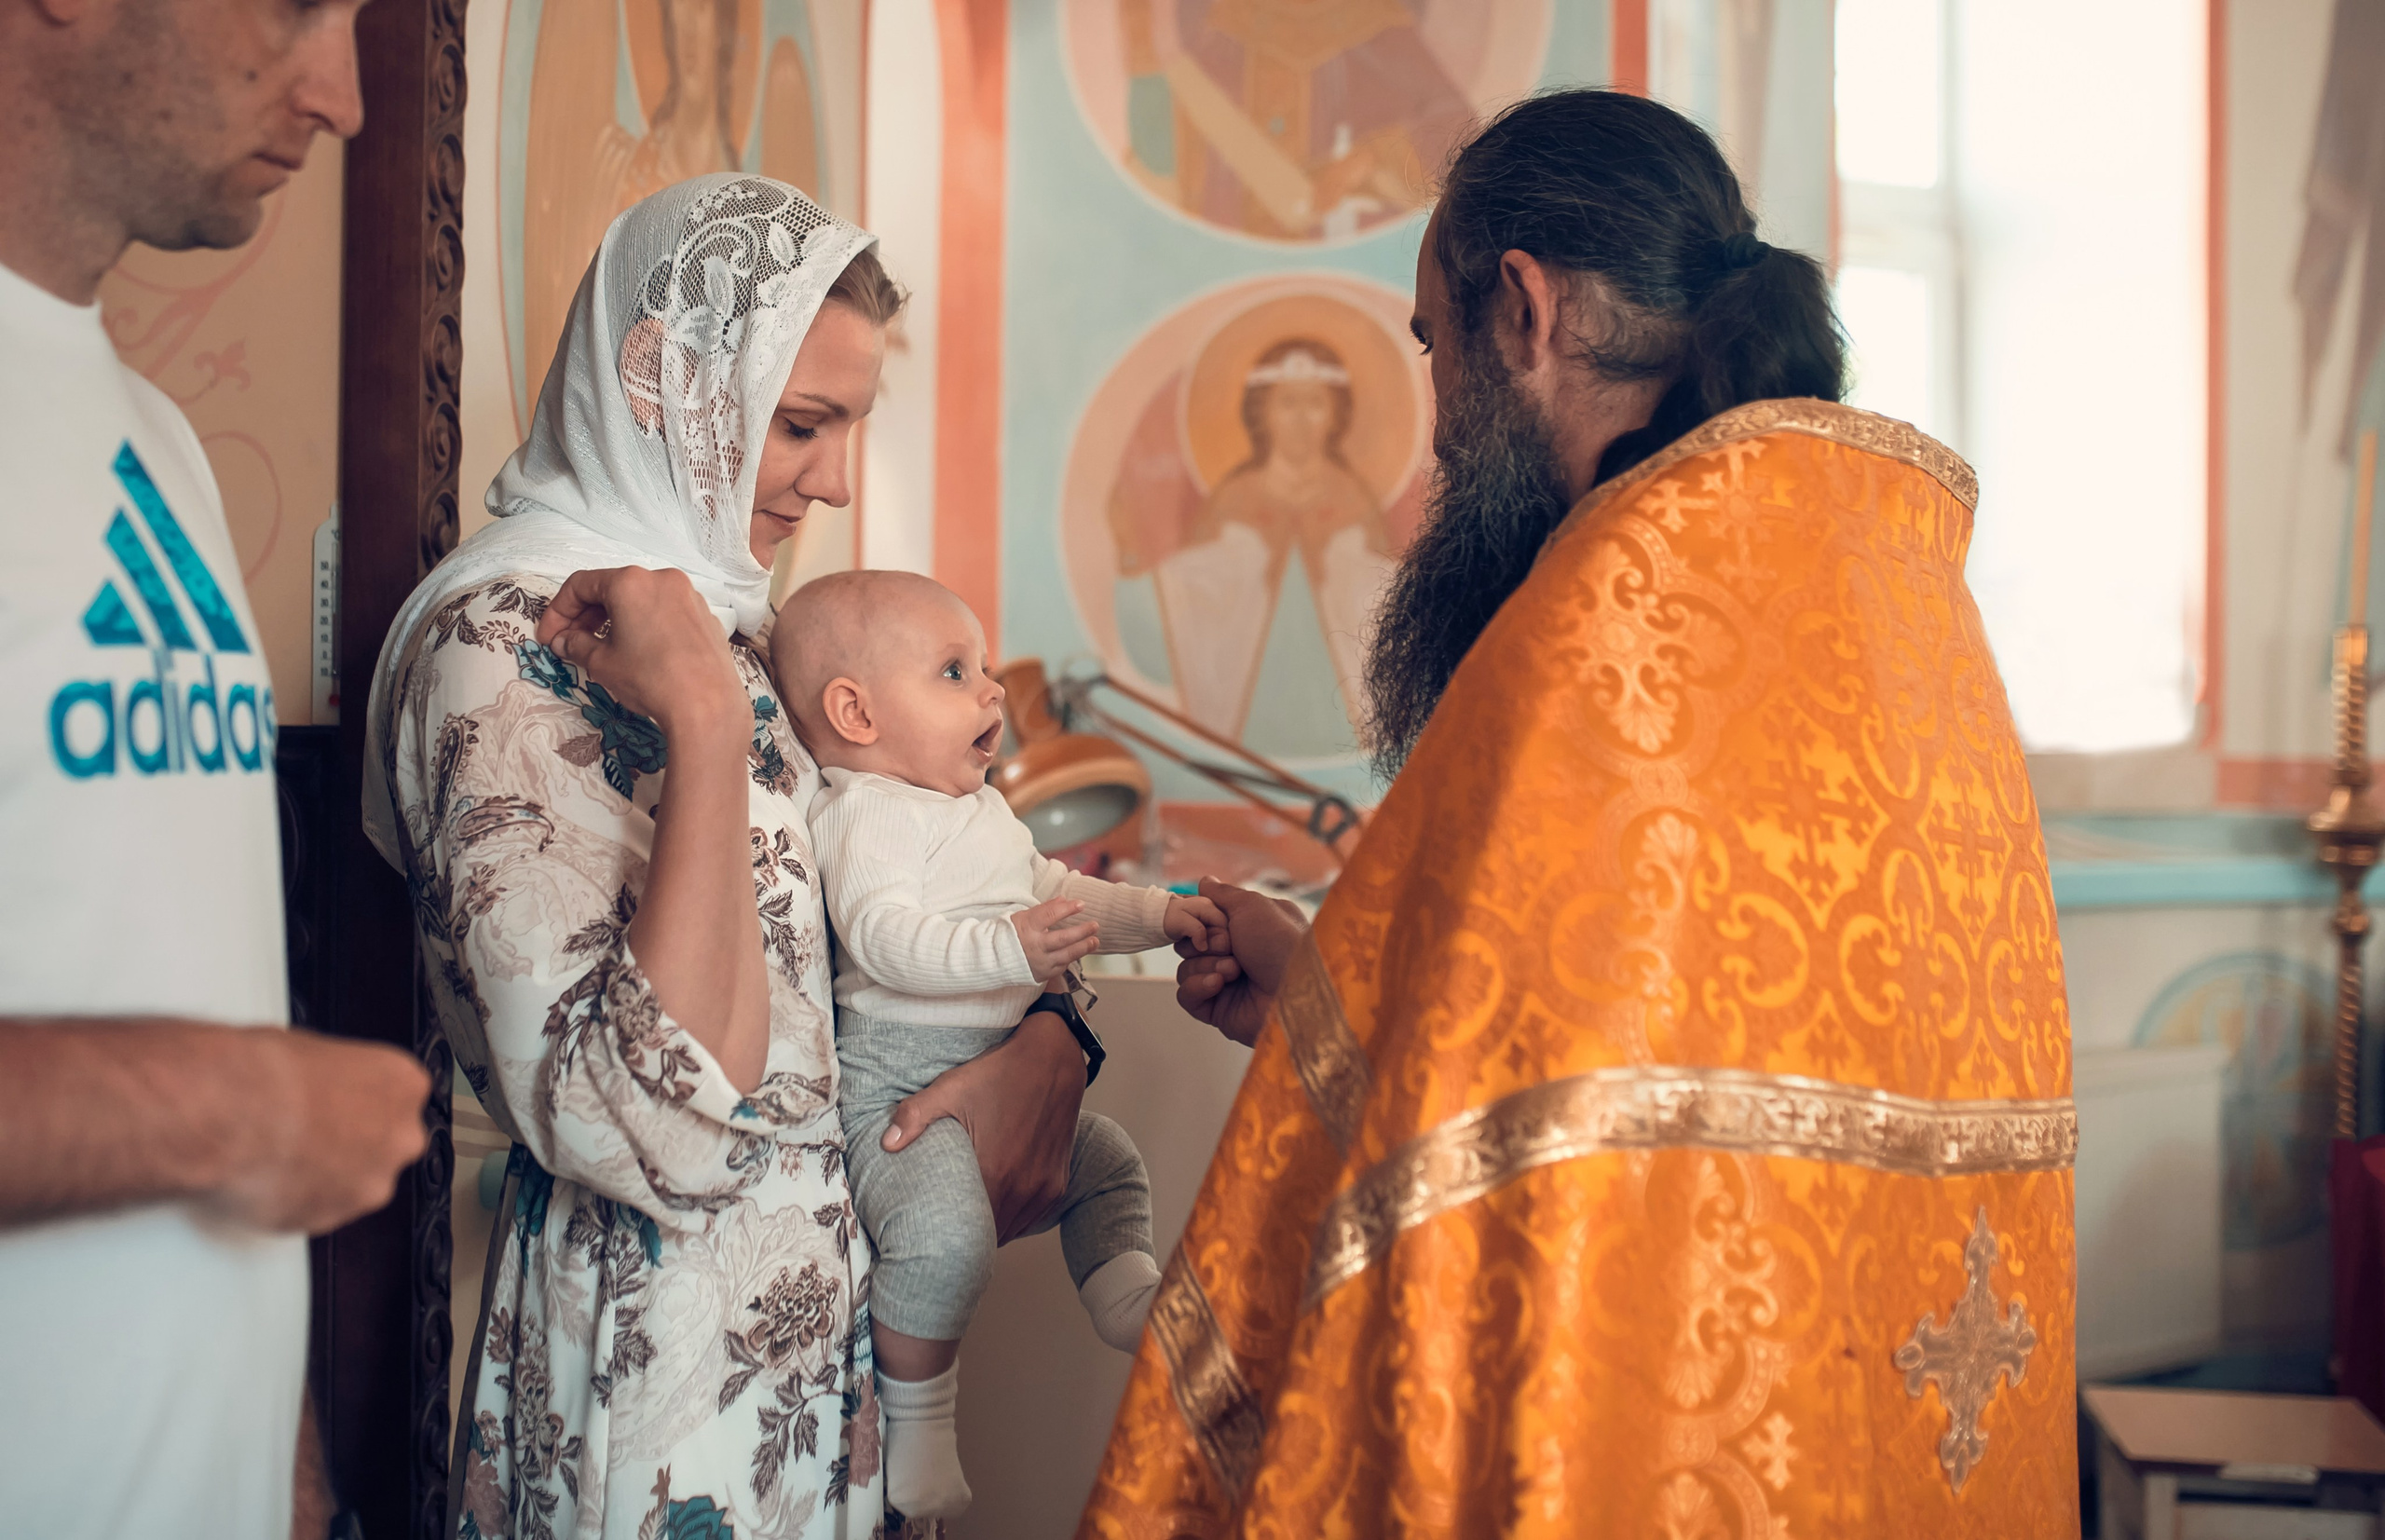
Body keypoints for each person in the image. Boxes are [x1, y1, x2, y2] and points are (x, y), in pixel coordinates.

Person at [1082, 89, 2078, 1538]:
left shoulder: (1605, 617)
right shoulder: (1896, 585)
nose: (1432, 422)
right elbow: (1626, 1034)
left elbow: (1533, 1137)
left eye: (1433, 344)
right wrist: (1326, 989)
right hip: (1883, 1408)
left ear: (1524, 312)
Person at [365, 174, 1097, 1538]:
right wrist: (700, 720)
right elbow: (640, 1129)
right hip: (655, 1359)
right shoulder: (497, 648)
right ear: (660, 378)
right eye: (801, 425)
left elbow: (909, 869)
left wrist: (1052, 1029)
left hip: (816, 1343)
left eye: (848, 426)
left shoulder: (736, 627)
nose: (832, 479)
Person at [0, 0, 435, 1534]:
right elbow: (243, 1090)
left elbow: (196, 956)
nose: (344, 94)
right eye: (296, 8)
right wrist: (237, 1108)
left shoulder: (154, 440)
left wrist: (293, 1475)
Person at [775, 567, 1229, 1520]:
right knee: (945, 1242)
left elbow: (1056, 895)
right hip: (897, 1087)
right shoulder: (863, 812)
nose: (990, 693)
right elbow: (884, 940)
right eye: (953, 672)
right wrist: (1008, 948)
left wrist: (1157, 915)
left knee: (1108, 1164)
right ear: (855, 713)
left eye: (982, 668)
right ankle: (920, 1425)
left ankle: (1122, 1292)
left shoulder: (977, 811)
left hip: (979, 1059)